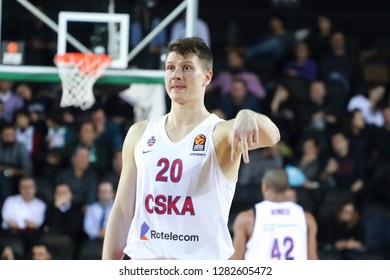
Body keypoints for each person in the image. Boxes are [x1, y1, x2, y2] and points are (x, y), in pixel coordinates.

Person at [102, 37, 280, 260]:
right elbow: (122, 210)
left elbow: (272, 136)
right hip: (144, 262)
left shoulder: (219, 133)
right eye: (170, 68)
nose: (176, 74)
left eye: (187, 68)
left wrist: (249, 115)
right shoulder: (140, 133)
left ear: (207, 77)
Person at [230, 168, 318, 260]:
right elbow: (313, 259)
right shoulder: (307, 218)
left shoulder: (247, 218)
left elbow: (235, 261)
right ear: (288, 187)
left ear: (265, 186)